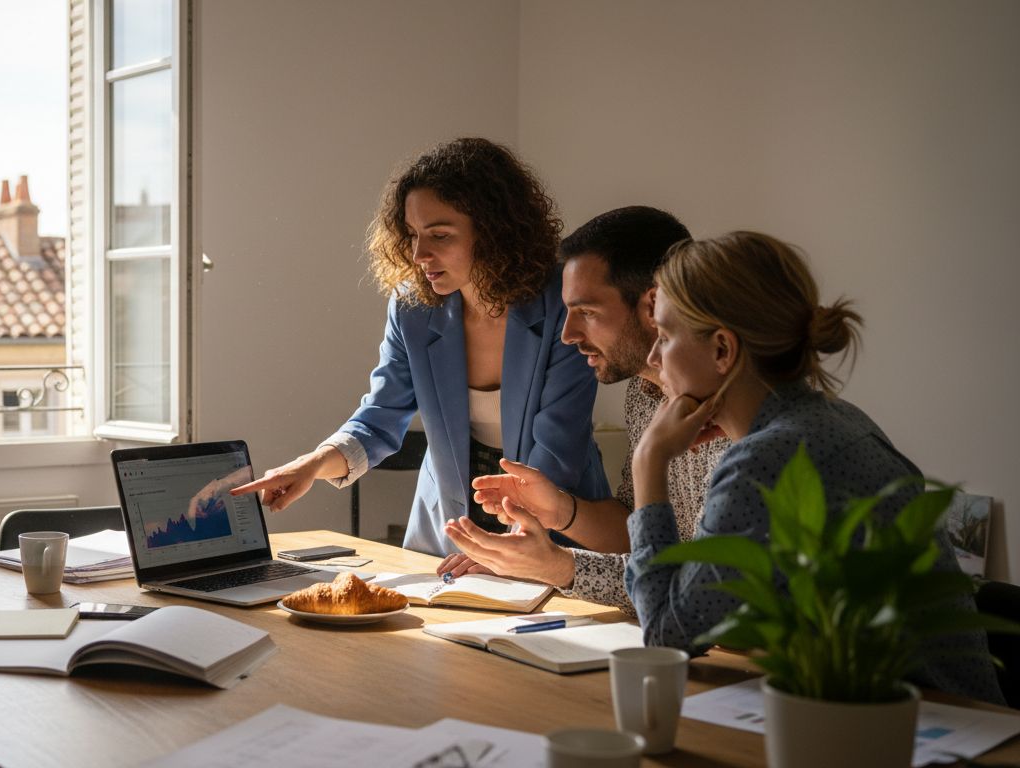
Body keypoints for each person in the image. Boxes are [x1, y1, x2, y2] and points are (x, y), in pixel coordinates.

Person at [626, 230, 1002, 704]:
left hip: (924, 726)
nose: (652, 358)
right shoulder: (834, 419)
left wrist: (648, 462)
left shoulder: (768, 458)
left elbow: (664, 635)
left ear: (722, 350)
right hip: (949, 715)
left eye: (663, 336)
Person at [232, 138, 609, 556]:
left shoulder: (563, 304)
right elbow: (379, 419)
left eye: (439, 235)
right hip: (446, 530)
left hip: (551, 528)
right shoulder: (413, 308)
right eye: (411, 234)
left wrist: (507, 551)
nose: (418, 254)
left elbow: (557, 450)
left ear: (495, 232)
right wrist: (315, 463)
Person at [439, 207, 728, 614]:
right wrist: (559, 510)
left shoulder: (737, 422)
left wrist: (559, 567)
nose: (568, 335)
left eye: (588, 313)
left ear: (653, 305)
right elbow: (636, 533)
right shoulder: (646, 394)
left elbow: (704, 596)